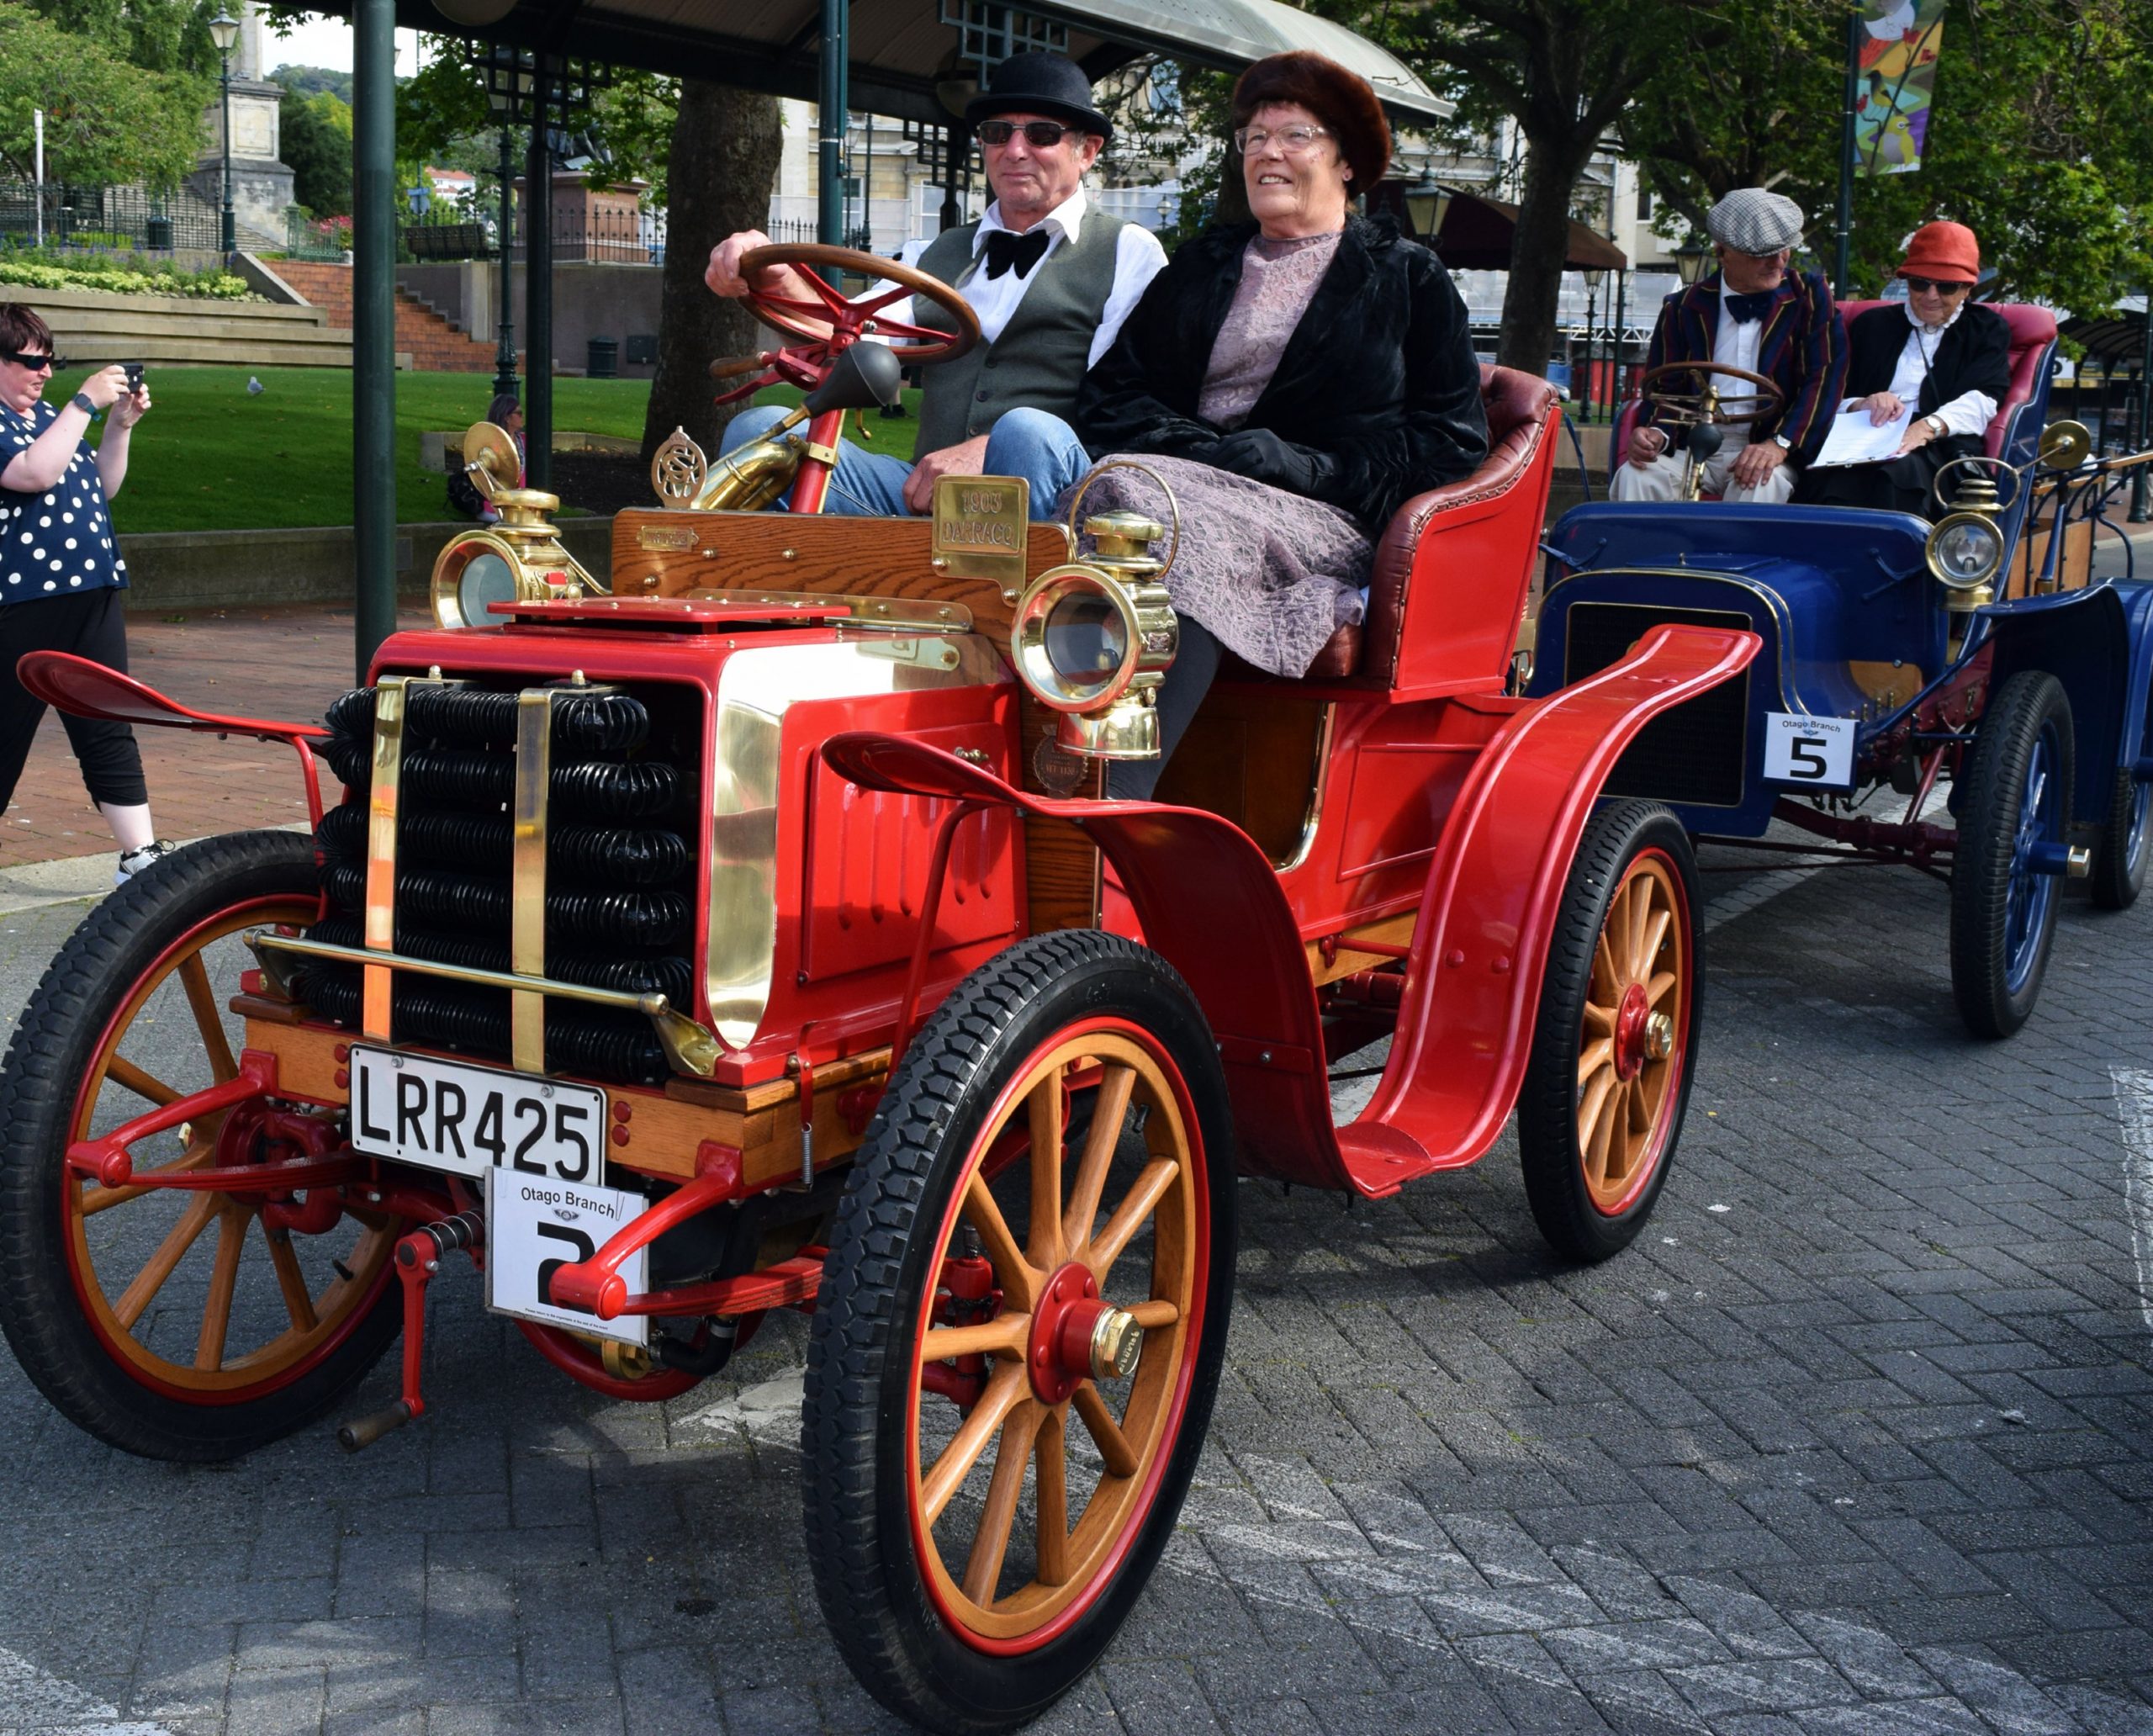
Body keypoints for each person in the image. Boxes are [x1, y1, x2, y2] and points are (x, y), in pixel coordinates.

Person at [1072, 50, 1489, 797]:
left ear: (1348, 162)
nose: (1267, 152)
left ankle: (1117, 797)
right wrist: (1209, 453)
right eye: (1254, 138)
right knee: (1116, 497)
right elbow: (1112, 397)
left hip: (1325, 517)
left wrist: (1306, 467)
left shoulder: (1406, 276)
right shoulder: (1204, 263)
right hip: (1173, 482)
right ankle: (1035, 738)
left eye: (1295, 135)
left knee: (1165, 519)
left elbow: (1450, 444)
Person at [703, 51, 1167, 520]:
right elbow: (842, 347)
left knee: (1027, 432)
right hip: (924, 494)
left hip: (1056, 492)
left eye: (1042, 135)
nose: (1015, 150)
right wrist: (779, 278)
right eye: (997, 133)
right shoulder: (934, 254)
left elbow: (1122, 409)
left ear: (1086, 151)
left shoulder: (1129, 251)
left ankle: (1026, 590)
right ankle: (788, 590)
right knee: (759, 435)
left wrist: (988, 450)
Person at [0, 304, 167, 884]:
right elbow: (32, 475)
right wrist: (83, 404)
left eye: (50, 363)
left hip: (92, 590)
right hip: (23, 602)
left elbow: (99, 488)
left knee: (106, 719)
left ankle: (139, 857)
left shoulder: (45, 416)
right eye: (28, 362)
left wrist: (119, 424)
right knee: (6, 730)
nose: (43, 374)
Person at [1612, 188, 1847, 505]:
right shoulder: (1681, 307)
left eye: (1785, 249)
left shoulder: (1810, 296)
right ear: (1722, 252)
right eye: (1762, 253)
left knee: (1761, 483)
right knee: (1635, 475)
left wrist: (1778, 445)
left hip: (1769, 443)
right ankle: (1641, 557)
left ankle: (1740, 558)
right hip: (1691, 444)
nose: (1778, 261)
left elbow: (1825, 379)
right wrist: (1655, 434)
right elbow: (1664, 389)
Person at [1796, 223, 2008, 521]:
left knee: (1896, 473)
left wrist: (1925, 428)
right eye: (1920, 284)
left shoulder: (1986, 329)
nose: (1930, 295)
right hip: (1860, 437)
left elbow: (1984, 398)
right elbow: (1832, 391)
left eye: (1946, 287)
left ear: (1967, 289)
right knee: (1832, 477)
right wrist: (1863, 402)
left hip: (1938, 444)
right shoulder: (1871, 325)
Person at [447, 391, 526, 523]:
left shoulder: (523, 441)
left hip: (522, 503)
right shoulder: (488, 444)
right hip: (494, 505)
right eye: (519, 413)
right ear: (507, 417)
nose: (522, 417)